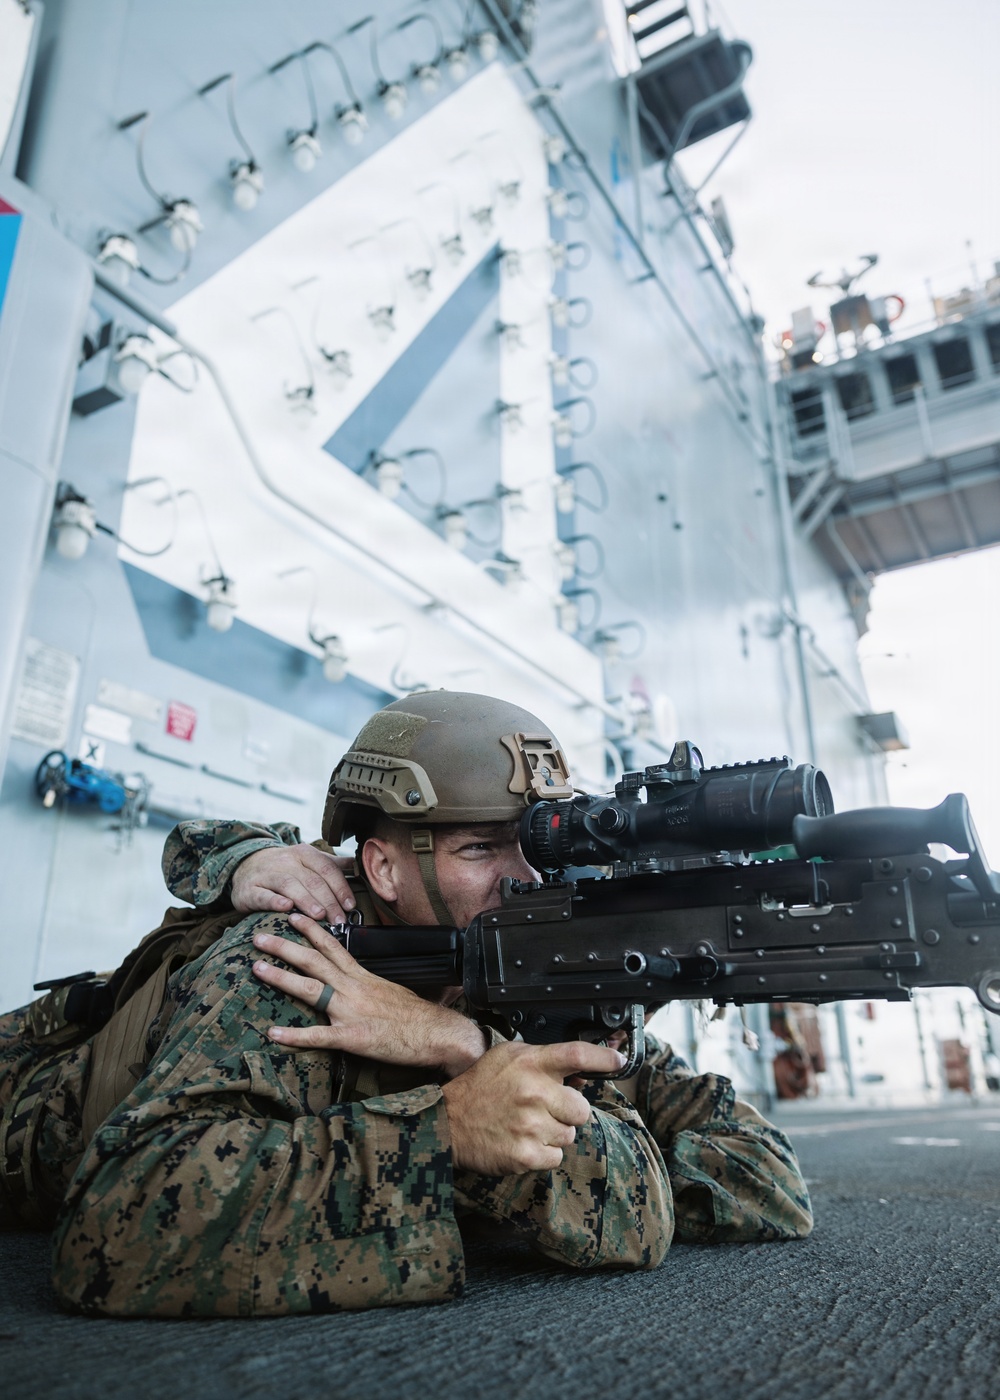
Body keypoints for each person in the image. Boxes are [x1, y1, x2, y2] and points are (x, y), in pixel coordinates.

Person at [0, 691, 811, 1317]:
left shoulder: (532, 970)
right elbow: (116, 1232)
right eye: (480, 848)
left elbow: (761, 1185)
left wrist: (464, 1049)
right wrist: (446, 1137)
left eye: (536, 845)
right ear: (384, 869)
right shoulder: (300, 956)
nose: (523, 878)